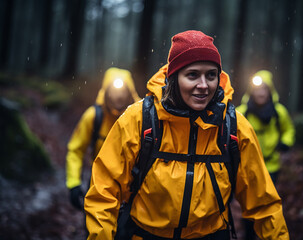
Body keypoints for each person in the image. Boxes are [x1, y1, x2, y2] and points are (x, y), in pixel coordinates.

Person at [85, 30, 289, 240]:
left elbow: (263, 204)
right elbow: (104, 192)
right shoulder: (138, 120)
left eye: (211, 75)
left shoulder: (235, 127)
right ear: (174, 77)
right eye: (192, 75)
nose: (203, 85)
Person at [66, 67, 140, 210]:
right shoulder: (93, 116)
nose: (118, 96)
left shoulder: (140, 119)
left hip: (130, 192)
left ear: (130, 92)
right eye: (114, 90)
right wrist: (74, 183)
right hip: (97, 185)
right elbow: (75, 150)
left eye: (123, 91)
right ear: (106, 91)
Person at [236, 70, 295, 240]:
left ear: (270, 91)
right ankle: (249, 234)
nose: (260, 93)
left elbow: (288, 129)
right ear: (251, 91)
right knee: (248, 204)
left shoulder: (279, 112)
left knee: (267, 203)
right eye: (257, 89)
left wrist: (286, 142)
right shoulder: (241, 113)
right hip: (247, 168)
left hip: (271, 166)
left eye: (264, 89)